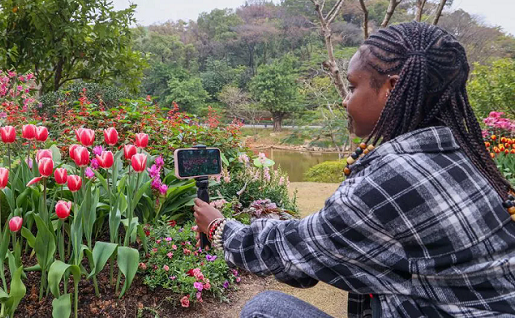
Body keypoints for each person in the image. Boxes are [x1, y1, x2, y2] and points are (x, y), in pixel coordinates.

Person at [194, 22, 515, 318]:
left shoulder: (389, 181)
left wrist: (220, 228)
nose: (345, 102)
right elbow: (330, 235)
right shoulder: (463, 155)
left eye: (352, 87)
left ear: (391, 89)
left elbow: (296, 258)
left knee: (263, 309)